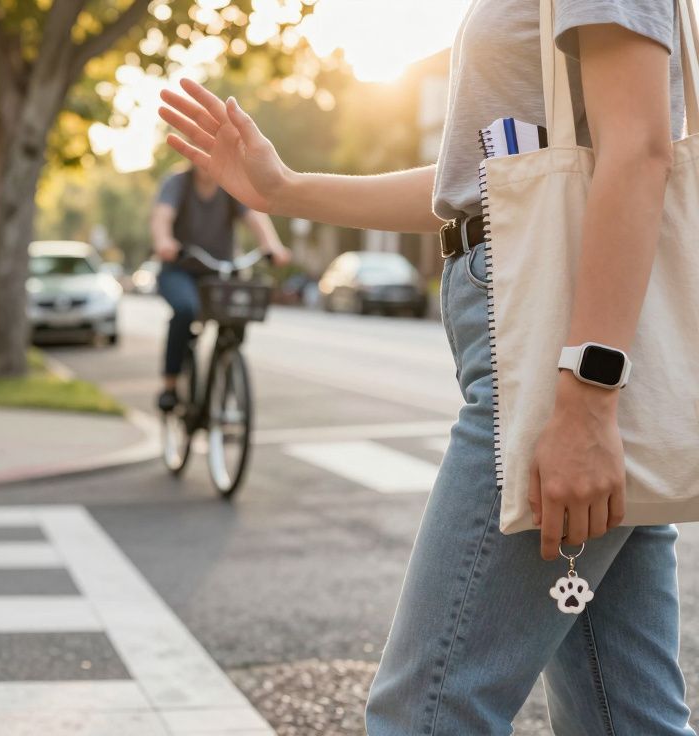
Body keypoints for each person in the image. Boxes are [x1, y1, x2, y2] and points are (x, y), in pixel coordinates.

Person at [160, 0, 693, 731]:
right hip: (550, 335)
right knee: (623, 716)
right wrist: (284, 190)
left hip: (557, 348)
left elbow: (639, 147)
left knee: (429, 711)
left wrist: (587, 396)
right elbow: (468, 187)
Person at [149, 164, 291, 412]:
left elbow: (255, 217)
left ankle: (226, 367)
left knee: (239, 310)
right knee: (185, 310)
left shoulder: (229, 185)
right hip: (180, 267)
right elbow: (162, 217)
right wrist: (164, 241)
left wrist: (272, 246)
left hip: (219, 270)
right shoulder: (177, 183)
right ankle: (170, 385)